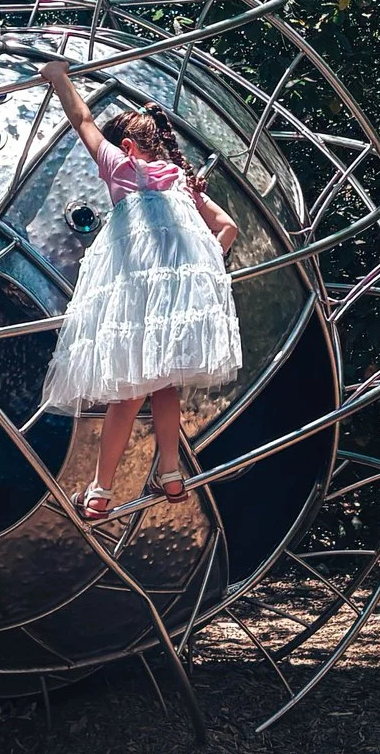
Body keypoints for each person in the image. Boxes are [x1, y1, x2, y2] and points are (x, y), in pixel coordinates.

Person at [36, 60, 242, 519]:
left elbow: (82, 119)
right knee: (165, 386)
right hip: (176, 303)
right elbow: (228, 229)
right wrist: (198, 266)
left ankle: (100, 489)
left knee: (126, 395)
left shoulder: (120, 166)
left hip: (134, 301)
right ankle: (170, 471)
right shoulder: (182, 181)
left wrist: (58, 79)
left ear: (126, 146)